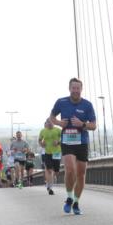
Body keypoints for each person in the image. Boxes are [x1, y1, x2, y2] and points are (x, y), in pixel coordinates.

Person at [49, 78, 97, 215]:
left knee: (81, 175)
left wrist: (82, 124)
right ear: (69, 88)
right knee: (70, 170)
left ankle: (76, 202)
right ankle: (69, 197)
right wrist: (59, 123)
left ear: (81, 89)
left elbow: (93, 125)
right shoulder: (61, 102)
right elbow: (51, 117)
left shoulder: (87, 105)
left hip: (82, 142)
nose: (75, 90)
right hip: (67, 141)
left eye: (78, 88)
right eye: (73, 88)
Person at [38, 118, 61, 195]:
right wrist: (41, 144)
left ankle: (50, 180)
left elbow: (64, 138)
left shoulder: (58, 130)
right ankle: (50, 187)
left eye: (51, 122)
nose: (50, 124)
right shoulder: (43, 131)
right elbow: (39, 140)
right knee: (49, 170)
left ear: (53, 123)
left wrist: (58, 142)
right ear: (46, 123)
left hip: (57, 153)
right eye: (48, 122)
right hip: (47, 153)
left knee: (56, 171)